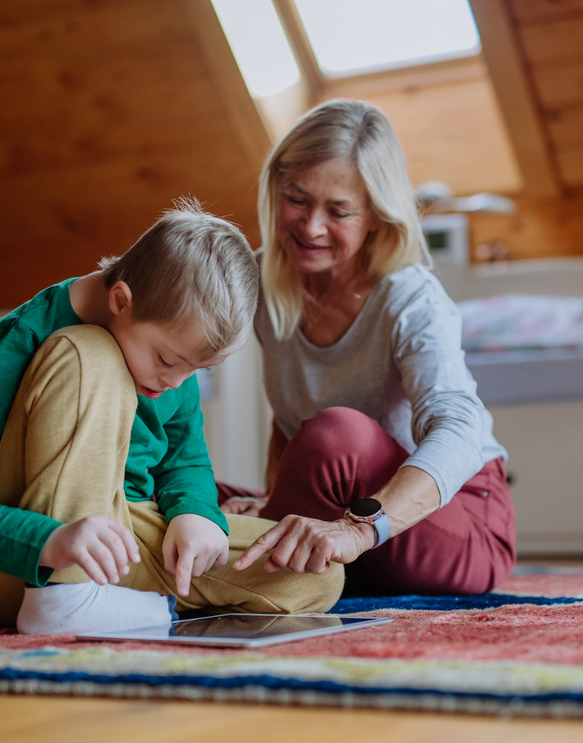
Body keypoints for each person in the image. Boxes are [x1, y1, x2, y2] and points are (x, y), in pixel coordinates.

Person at [0, 199, 344, 634]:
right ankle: (58, 598)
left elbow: (184, 459)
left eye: (198, 369)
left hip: (119, 536)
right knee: (91, 352)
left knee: (314, 572)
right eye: (168, 361)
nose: (176, 382)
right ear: (121, 299)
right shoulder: (15, 343)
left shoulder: (174, 362)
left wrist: (197, 515)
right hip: (26, 548)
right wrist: (51, 541)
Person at [220, 100, 516, 596]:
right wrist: (273, 498)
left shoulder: (411, 298)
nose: (311, 227)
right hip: (338, 517)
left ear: (377, 215)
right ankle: (251, 553)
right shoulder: (263, 281)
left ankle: (237, 569)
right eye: (296, 198)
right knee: (188, 496)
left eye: (338, 211)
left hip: (452, 520)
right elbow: (285, 424)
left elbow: (459, 428)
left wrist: (361, 529)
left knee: (336, 434)